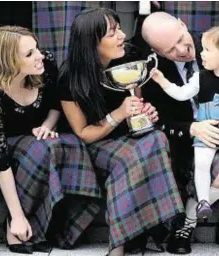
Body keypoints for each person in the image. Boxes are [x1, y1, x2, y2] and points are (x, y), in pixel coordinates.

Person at [58, 8, 184, 256]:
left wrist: (144, 112)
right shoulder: (69, 78)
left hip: (131, 138)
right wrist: (118, 114)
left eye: (119, 29)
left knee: (157, 138)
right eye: (113, 32)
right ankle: (127, 240)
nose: (122, 35)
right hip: (95, 144)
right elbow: (84, 133)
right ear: (92, 42)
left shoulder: (129, 57)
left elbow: (134, 106)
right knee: (130, 160)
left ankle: (123, 241)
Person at [141, 12, 219, 254]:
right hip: (192, 140)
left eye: (181, 39)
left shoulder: (218, 42)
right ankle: (187, 224)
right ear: (156, 51)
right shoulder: (154, 71)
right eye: (170, 49)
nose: (182, 50)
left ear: (182, 23)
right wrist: (192, 128)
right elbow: (161, 119)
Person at [0, 26, 102, 254]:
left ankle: (46, 226)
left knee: (57, 145)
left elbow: (56, 102)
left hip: (34, 135)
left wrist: (46, 126)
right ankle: (15, 227)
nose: (40, 56)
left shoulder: (46, 64)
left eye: (37, 48)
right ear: (9, 62)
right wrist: (15, 215)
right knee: (37, 151)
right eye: (29, 54)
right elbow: (0, 158)